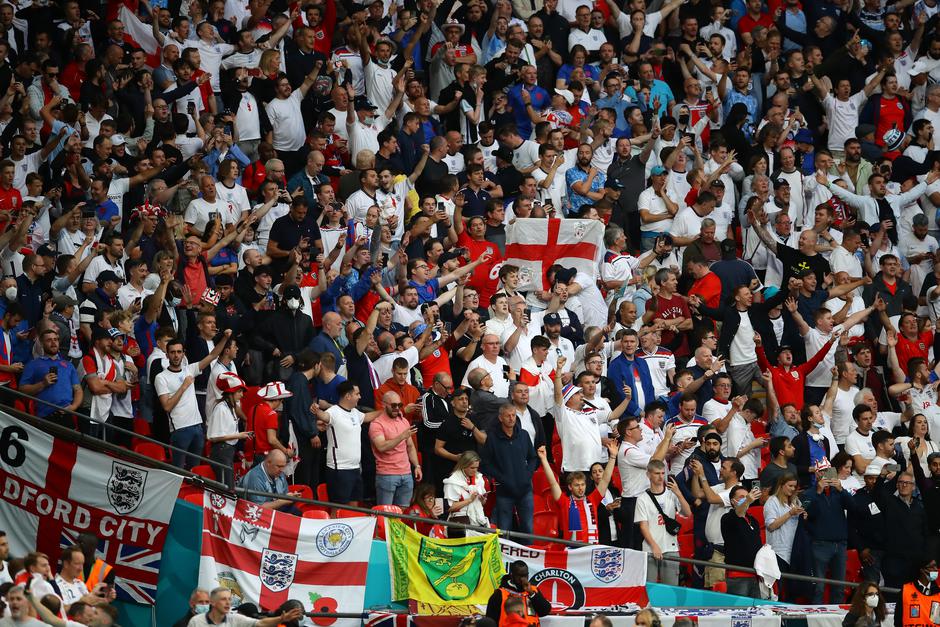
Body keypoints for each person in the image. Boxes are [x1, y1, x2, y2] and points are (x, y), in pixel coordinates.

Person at [480, 403, 539, 534]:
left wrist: (527, 475)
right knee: (504, 529)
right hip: (504, 491)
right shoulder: (493, 438)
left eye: (513, 415)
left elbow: (533, 458)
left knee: (528, 528)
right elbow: (485, 463)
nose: (511, 418)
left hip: (525, 490)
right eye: (508, 416)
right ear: (500, 418)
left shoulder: (523, 435)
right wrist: (501, 477)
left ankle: (528, 552)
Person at [635, 459, 691, 585]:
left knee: (671, 587)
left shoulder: (672, 494)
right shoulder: (642, 499)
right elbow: (643, 526)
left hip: (670, 547)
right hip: (650, 548)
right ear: (648, 474)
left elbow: (688, 513)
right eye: (656, 473)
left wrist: (679, 494)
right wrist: (654, 546)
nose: (661, 477)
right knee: (650, 588)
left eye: (662, 473)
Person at [206, 372, 251, 486]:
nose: (242, 395)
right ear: (231, 392)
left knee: (228, 486)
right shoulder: (221, 408)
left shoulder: (230, 407)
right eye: (239, 391)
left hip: (227, 451)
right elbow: (214, 437)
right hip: (221, 452)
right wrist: (238, 435)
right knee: (226, 487)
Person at [720, 484, 764, 597]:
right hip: (737, 576)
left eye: (747, 496)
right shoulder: (727, 518)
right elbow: (738, 512)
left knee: (757, 612)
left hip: (755, 575)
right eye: (741, 497)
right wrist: (747, 501)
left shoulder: (753, 520)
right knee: (739, 612)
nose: (746, 498)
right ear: (732, 501)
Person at [186, 587, 302, 626]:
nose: (228, 603)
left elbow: (260, 623)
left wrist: (281, 619)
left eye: (229, 599)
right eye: (223, 599)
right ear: (213, 602)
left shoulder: (235, 620)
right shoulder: (196, 622)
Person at [485, 561, 552, 626]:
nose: (523, 579)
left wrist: (531, 593)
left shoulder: (533, 590)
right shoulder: (500, 594)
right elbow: (491, 621)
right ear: (512, 575)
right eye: (519, 576)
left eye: (525, 575)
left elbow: (545, 611)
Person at [238, 450, 303, 512]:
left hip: (274, 508)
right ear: (268, 463)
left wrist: (291, 497)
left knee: (296, 512)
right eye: (279, 466)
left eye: (283, 466)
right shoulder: (255, 477)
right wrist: (283, 501)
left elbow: (283, 496)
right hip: (250, 513)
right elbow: (258, 508)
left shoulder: (279, 473)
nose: (281, 470)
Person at [443, 451, 490, 531]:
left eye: (477, 468)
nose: (475, 470)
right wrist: (469, 500)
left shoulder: (479, 478)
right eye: (472, 468)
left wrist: (482, 500)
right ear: (463, 466)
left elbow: (481, 504)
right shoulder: (452, 481)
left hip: (479, 521)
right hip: (461, 524)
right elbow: (450, 507)